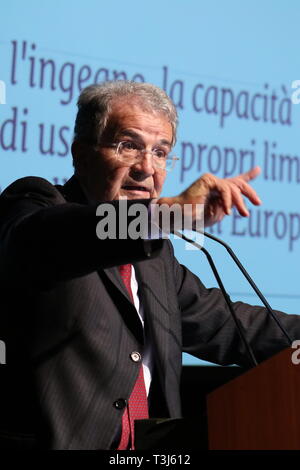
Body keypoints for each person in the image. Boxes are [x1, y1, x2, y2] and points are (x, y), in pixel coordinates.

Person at [0, 81, 299, 450]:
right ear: (81, 153)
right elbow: (55, 237)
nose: (146, 168)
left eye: (161, 152)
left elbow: (233, 325)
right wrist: (162, 215)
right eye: (128, 146)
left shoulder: (156, 260)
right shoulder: (37, 205)